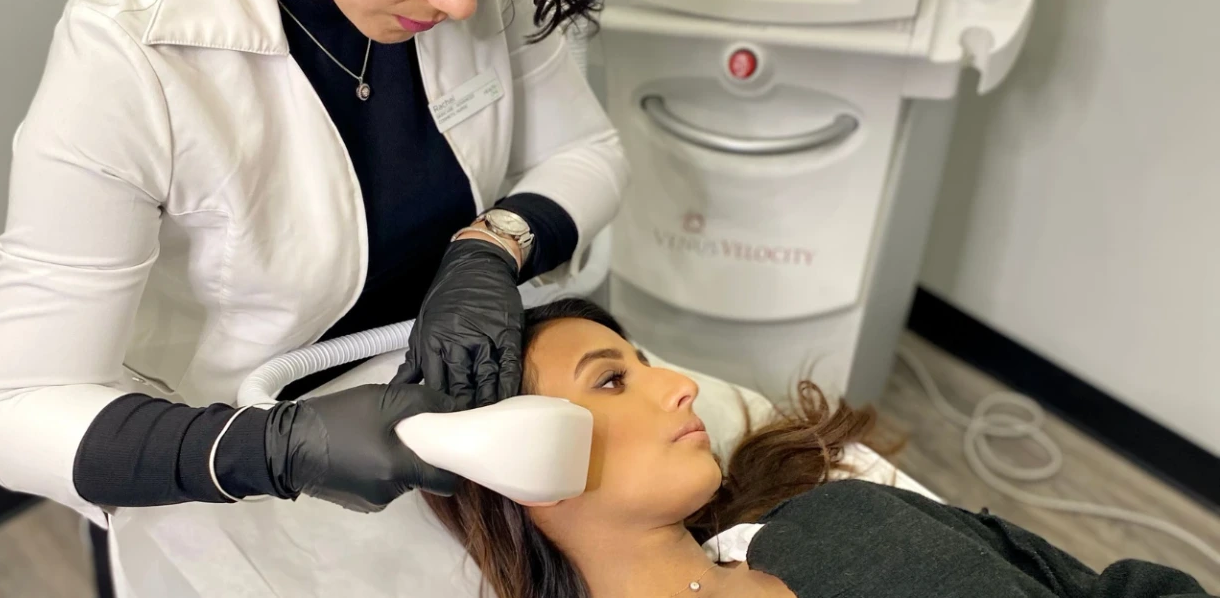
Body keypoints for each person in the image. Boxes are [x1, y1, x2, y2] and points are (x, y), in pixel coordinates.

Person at [0, 0, 625, 592]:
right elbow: (13, 415)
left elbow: (586, 153)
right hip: (228, 490)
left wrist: (491, 246)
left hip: (444, 462)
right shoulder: (128, 48)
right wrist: (277, 449)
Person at [425, 299, 1215, 598]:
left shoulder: (846, 516)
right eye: (609, 382)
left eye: (645, 363)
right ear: (518, 456)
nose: (679, 387)